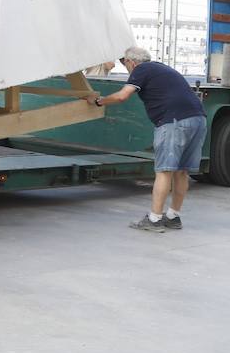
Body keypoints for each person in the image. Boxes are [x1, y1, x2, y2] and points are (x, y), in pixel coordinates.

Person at [85, 46, 205, 233]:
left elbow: (123, 96)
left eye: (124, 63)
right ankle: (173, 217)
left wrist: (99, 101)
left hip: (174, 122)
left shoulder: (141, 70)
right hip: (198, 119)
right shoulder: (161, 68)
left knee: (164, 171)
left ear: (132, 62)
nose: (125, 68)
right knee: (181, 172)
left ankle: (155, 219)